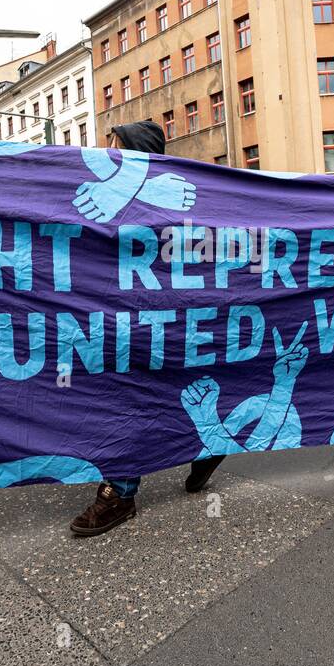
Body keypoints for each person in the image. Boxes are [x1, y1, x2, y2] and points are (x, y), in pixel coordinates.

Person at [70, 120, 222, 535]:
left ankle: (118, 493)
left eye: (115, 147)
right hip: (155, 316)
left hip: (143, 318)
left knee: (125, 400)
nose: (106, 153)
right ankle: (208, 440)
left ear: (135, 155)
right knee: (159, 391)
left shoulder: (165, 194)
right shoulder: (158, 191)